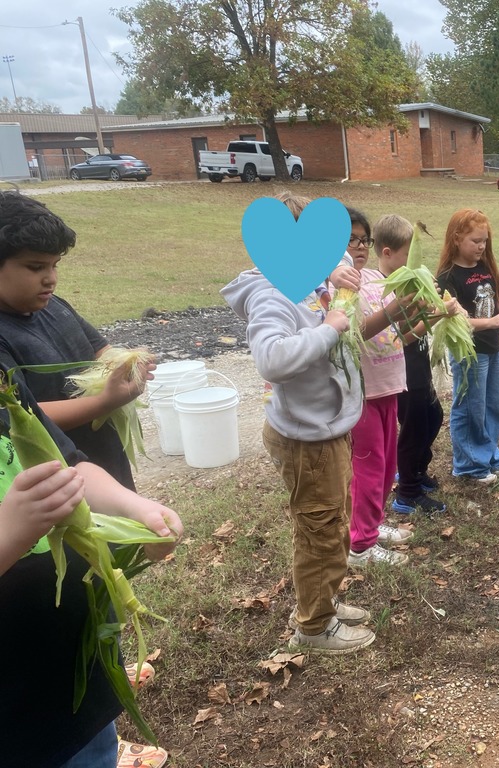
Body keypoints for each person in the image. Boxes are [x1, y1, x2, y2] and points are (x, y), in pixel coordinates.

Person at [221, 191, 376, 654]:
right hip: (307, 440)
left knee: (332, 524)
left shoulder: (308, 282)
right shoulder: (272, 295)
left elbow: (344, 259)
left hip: (328, 430)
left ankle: (322, 600)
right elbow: (271, 359)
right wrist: (329, 327)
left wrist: (331, 270)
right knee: (318, 531)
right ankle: (313, 627)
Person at [1, 374, 181, 767]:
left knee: (93, 752)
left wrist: (137, 508)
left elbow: (70, 465)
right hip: (12, 715)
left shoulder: (6, 389)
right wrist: (9, 532)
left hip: (74, 669)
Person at [0, 191, 153, 492]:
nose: (50, 278)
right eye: (35, 267)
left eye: (54, 265)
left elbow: (100, 349)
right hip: (57, 485)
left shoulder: (54, 306)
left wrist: (128, 362)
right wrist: (104, 401)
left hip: (105, 463)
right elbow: (20, 419)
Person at [340, 211, 416, 566]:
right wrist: (394, 312)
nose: (358, 247)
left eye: (363, 240)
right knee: (368, 469)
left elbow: (396, 330)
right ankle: (360, 545)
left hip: (388, 386)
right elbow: (355, 335)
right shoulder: (340, 288)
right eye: (349, 240)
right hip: (364, 393)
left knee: (387, 466)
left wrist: (421, 315)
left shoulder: (371, 277)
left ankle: (372, 523)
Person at [436, 208, 499, 483]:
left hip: (491, 348)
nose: (482, 246)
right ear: (457, 239)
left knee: (494, 406)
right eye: (475, 241)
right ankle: (468, 466)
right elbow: (457, 321)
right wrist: (492, 322)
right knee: (470, 407)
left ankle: (489, 456)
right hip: (468, 352)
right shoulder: (448, 276)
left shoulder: (487, 267)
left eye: (484, 240)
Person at [388, 219, 451, 518]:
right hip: (402, 373)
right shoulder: (389, 292)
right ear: (389, 254)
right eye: (410, 255)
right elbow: (401, 336)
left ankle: (416, 470)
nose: (417, 263)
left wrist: (430, 306)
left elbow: (414, 326)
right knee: (412, 430)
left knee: (434, 416)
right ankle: (407, 493)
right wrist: (435, 314)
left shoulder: (408, 284)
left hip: (420, 367)